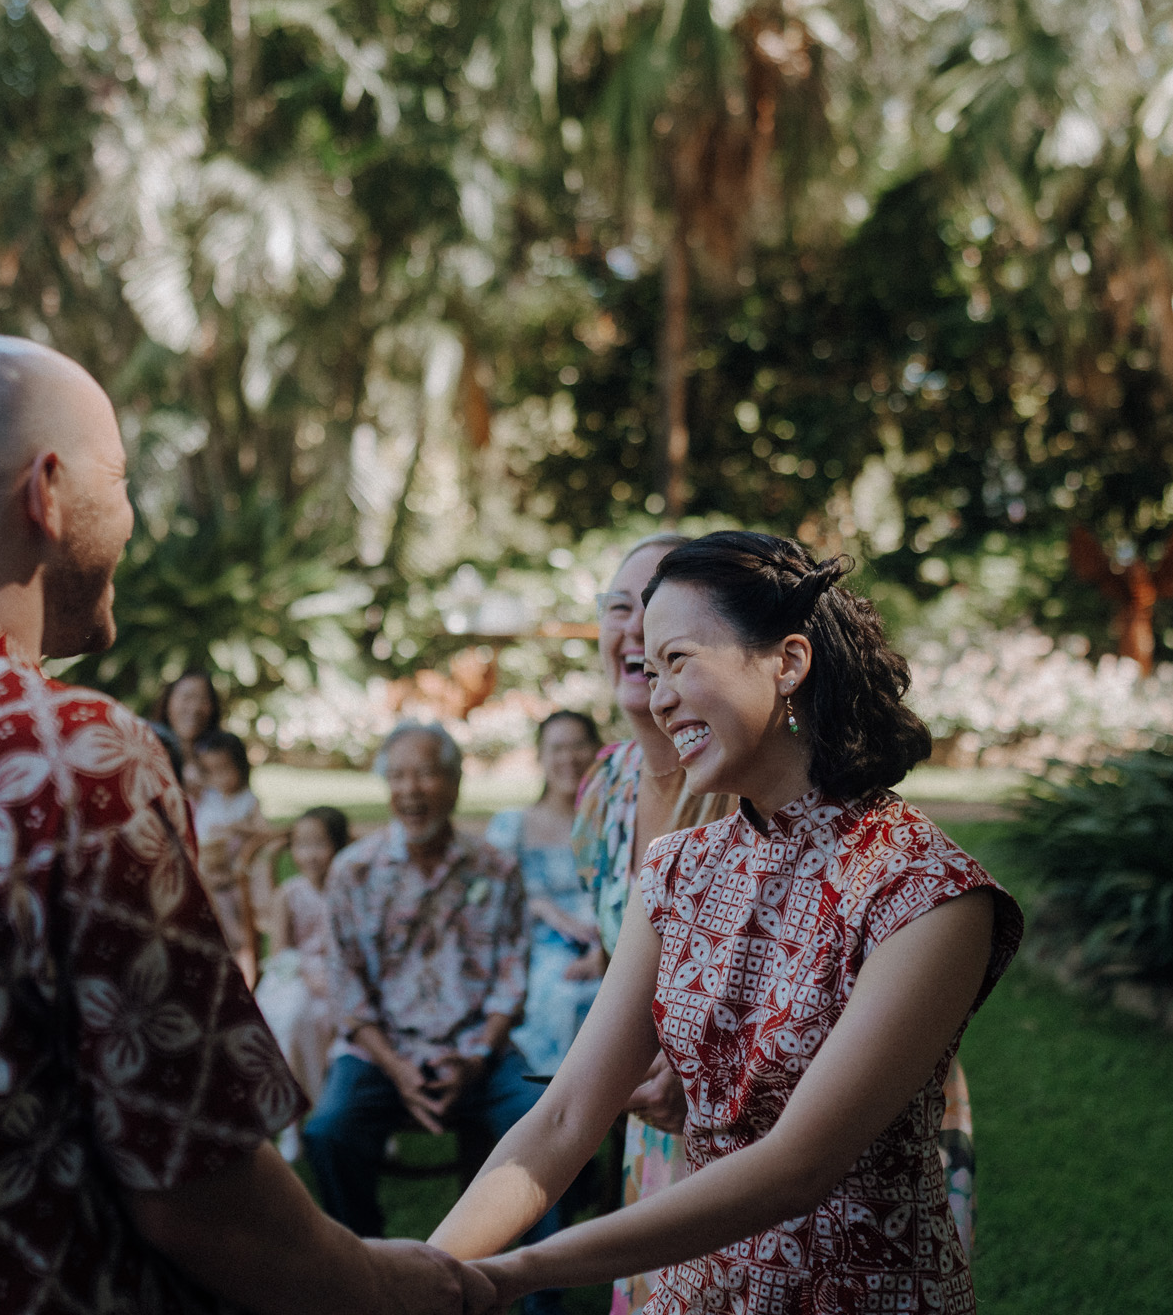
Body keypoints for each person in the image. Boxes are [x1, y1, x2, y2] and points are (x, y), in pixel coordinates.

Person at [0, 332, 486, 1315]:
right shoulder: (76, 757)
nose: (132, 519)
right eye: (121, 479)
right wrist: (395, 1287)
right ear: (47, 492)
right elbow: (199, 1192)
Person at [430, 532, 1023, 1313]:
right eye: (647, 665)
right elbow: (569, 1115)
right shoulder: (676, 870)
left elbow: (797, 1166)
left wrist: (514, 1272)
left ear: (788, 662)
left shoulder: (929, 893)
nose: (655, 692)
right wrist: (427, 1268)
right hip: (699, 1289)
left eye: (677, 660)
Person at [303, 722, 566, 1306]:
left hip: (480, 1050)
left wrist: (474, 1058)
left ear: (454, 783)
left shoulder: (494, 867)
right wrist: (398, 1069)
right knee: (328, 1130)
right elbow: (350, 994)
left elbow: (510, 981)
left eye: (425, 773)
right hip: (382, 1054)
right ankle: (364, 1268)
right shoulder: (355, 870)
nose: (411, 789)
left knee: (544, 1124)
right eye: (397, 776)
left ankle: (540, 1293)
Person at [568, 533, 736, 1315]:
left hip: (791, 1128)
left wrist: (702, 1067)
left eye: (659, 608)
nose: (634, 628)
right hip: (660, 1126)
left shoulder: (754, 784)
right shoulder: (603, 790)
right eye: (618, 606)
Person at [484, 711, 604, 1075]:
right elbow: (487, 901)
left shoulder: (614, 821)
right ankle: (551, 1103)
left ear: (597, 751)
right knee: (562, 994)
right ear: (540, 756)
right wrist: (541, 907)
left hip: (612, 941)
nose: (568, 759)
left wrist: (606, 951)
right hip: (536, 946)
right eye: (557, 748)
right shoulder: (512, 826)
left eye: (579, 746)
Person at [255, 805, 349, 1115]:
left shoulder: (348, 892)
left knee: (331, 1014)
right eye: (301, 845)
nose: (309, 855)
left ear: (339, 845)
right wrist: (308, 972)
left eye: (319, 845)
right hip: (296, 975)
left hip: (338, 974)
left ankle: (338, 1103)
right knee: (295, 1014)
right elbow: (279, 952)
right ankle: (300, 1109)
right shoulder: (288, 894)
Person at [192, 727, 275, 984]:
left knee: (244, 931)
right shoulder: (207, 798)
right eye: (212, 771)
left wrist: (239, 827)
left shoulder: (247, 801)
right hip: (210, 875)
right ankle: (230, 968)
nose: (219, 777)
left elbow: (265, 833)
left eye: (225, 769)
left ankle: (249, 970)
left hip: (237, 874)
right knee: (222, 929)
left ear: (240, 766)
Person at [153, 667, 223, 789]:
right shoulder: (149, 750)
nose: (195, 708)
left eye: (203, 699)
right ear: (168, 702)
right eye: (187, 697)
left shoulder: (223, 759)